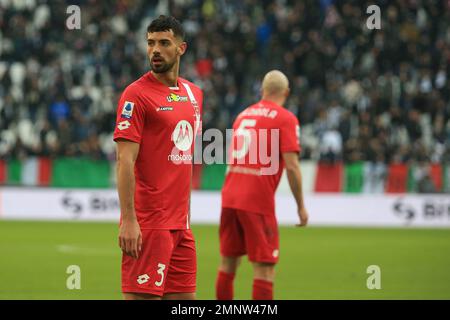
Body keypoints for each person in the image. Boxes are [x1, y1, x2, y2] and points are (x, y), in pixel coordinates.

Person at [113, 15, 202, 300]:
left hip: (182, 227)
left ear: (181, 48)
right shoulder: (135, 95)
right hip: (149, 224)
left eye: (164, 43)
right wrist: (129, 219)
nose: (155, 50)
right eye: (150, 43)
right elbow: (124, 161)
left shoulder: (194, 94)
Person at [216, 70, 309, 300]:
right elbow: (292, 166)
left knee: (228, 263)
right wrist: (301, 206)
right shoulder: (285, 118)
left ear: (262, 91)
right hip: (256, 200)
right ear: (286, 93)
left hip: (229, 197)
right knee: (264, 268)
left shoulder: (242, 115)